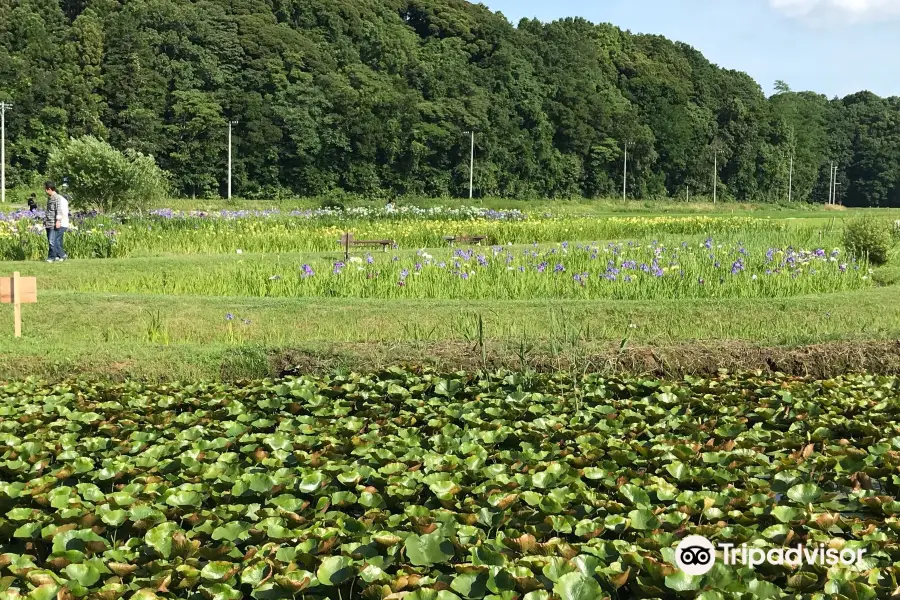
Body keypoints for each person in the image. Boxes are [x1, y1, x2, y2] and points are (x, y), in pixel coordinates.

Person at [43, 181, 69, 262]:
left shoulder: (57, 198)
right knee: (51, 240)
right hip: (49, 222)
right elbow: (49, 211)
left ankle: (52, 257)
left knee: (52, 241)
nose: (45, 191)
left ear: (49, 189)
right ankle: (58, 256)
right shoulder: (50, 198)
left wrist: (58, 221)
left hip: (54, 223)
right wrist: (45, 220)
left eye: (45, 189)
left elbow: (58, 210)